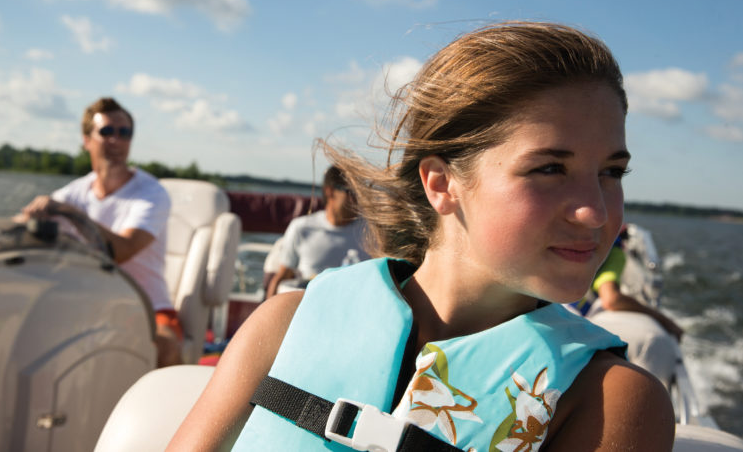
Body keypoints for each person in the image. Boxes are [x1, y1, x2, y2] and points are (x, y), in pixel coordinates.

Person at [167, 22, 675, 451]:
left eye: (612, 172)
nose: (595, 211)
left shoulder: (610, 400)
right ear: (442, 183)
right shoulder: (284, 324)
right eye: (549, 169)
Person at [22, 97, 181, 367]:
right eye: (106, 132)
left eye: (124, 133)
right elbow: (23, 223)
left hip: (147, 305)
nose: (116, 140)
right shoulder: (73, 192)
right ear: (87, 140)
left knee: (164, 342)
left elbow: (122, 251)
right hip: (87, 299)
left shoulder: (152, 194)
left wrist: (70, 213)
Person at [264, 166, 369, 299]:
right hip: (311, 304)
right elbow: (282, 277)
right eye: (352, 192)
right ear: (330, 192)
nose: (358, 199)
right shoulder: (302, 228)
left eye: (362, 193)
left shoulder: (372, 232)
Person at [572, 227, 684, 341]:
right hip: (576, 326)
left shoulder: (574, 244)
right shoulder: (614, 252)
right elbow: (612, 300)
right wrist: (663, 320)